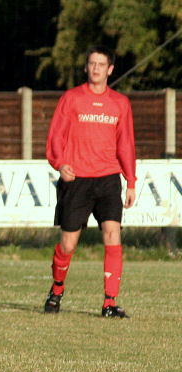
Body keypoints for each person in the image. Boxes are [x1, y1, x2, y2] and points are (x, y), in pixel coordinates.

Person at [44, 45, 136, 318]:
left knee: (112, 235)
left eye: (101, 64)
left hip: (108, 179)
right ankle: (56, 290)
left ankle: (109, 302)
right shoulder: (71, 99)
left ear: (110, 70)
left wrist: (130, 180)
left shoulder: (121, 103)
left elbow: (126, 144)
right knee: (68, 244)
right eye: (92, 63)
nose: (96, 68)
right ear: (86, 68)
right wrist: (60, 163)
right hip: (78, 181)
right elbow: (56, 136)